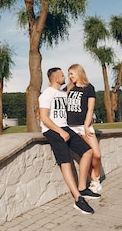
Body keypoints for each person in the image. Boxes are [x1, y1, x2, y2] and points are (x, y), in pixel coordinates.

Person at [39, 67, 100, 215]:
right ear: (55, 78)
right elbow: (44, 117)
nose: (64, 76)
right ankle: (78, 199)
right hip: (53, 131)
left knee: (88, 151)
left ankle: (82, 189)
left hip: (65, 128)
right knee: (66, 163)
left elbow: (78, 105)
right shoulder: (46, 94)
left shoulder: (62, 93)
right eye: (61, 75)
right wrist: (60, 131)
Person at [66, 64, 102, 194]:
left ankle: (95, 177)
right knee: (85, 155)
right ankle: (94, 181)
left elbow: (90, 109)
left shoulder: (89, 88)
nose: (69, 77)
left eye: (71, 73)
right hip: (71, 127)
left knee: (97, 154)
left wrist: (86, 127)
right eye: (69, 74)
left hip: (84, 126)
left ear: (78, 72)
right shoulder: (68, 88)